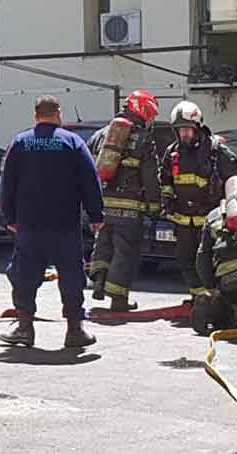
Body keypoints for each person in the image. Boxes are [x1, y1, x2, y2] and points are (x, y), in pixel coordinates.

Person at [0, 95, 104, 348]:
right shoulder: (72, 142)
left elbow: (7, 183)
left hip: (30, 224)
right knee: (71, 274)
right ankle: (75, 330)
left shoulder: (21, 143)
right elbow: (90, 180)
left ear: (35, 116)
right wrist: (96, 215)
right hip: (64, 224)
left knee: (25, 274)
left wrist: (9, 217)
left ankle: (24, 328)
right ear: (58, 114)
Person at [86, 90, 160, 311]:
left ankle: (99, 280)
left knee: (104, 244)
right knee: (125, 252)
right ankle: (119, 299)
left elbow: (88, 165)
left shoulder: (102, 134)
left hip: (103, 204)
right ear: (143, 111)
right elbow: (150, 176)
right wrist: (155, 205)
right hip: (129, 207)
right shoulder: (144, 140)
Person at [160, 101, 237, 302]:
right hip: (183, 219)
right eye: (180, 130)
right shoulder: (172, 153)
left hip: (210, 220)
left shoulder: (215, 150)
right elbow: (166, 180)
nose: (184, 134)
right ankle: (198, 298)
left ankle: (218, 297)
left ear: (197, 127)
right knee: (186, 260)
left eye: (187, 129)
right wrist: (167, 198)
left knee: (211, 260)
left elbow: (233, 181)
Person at [192, 176, 237, 335]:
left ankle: (215, 313)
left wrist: (212, 289)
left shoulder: (214, 216)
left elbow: (202, 258)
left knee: (227, 310)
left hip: (230, 285)